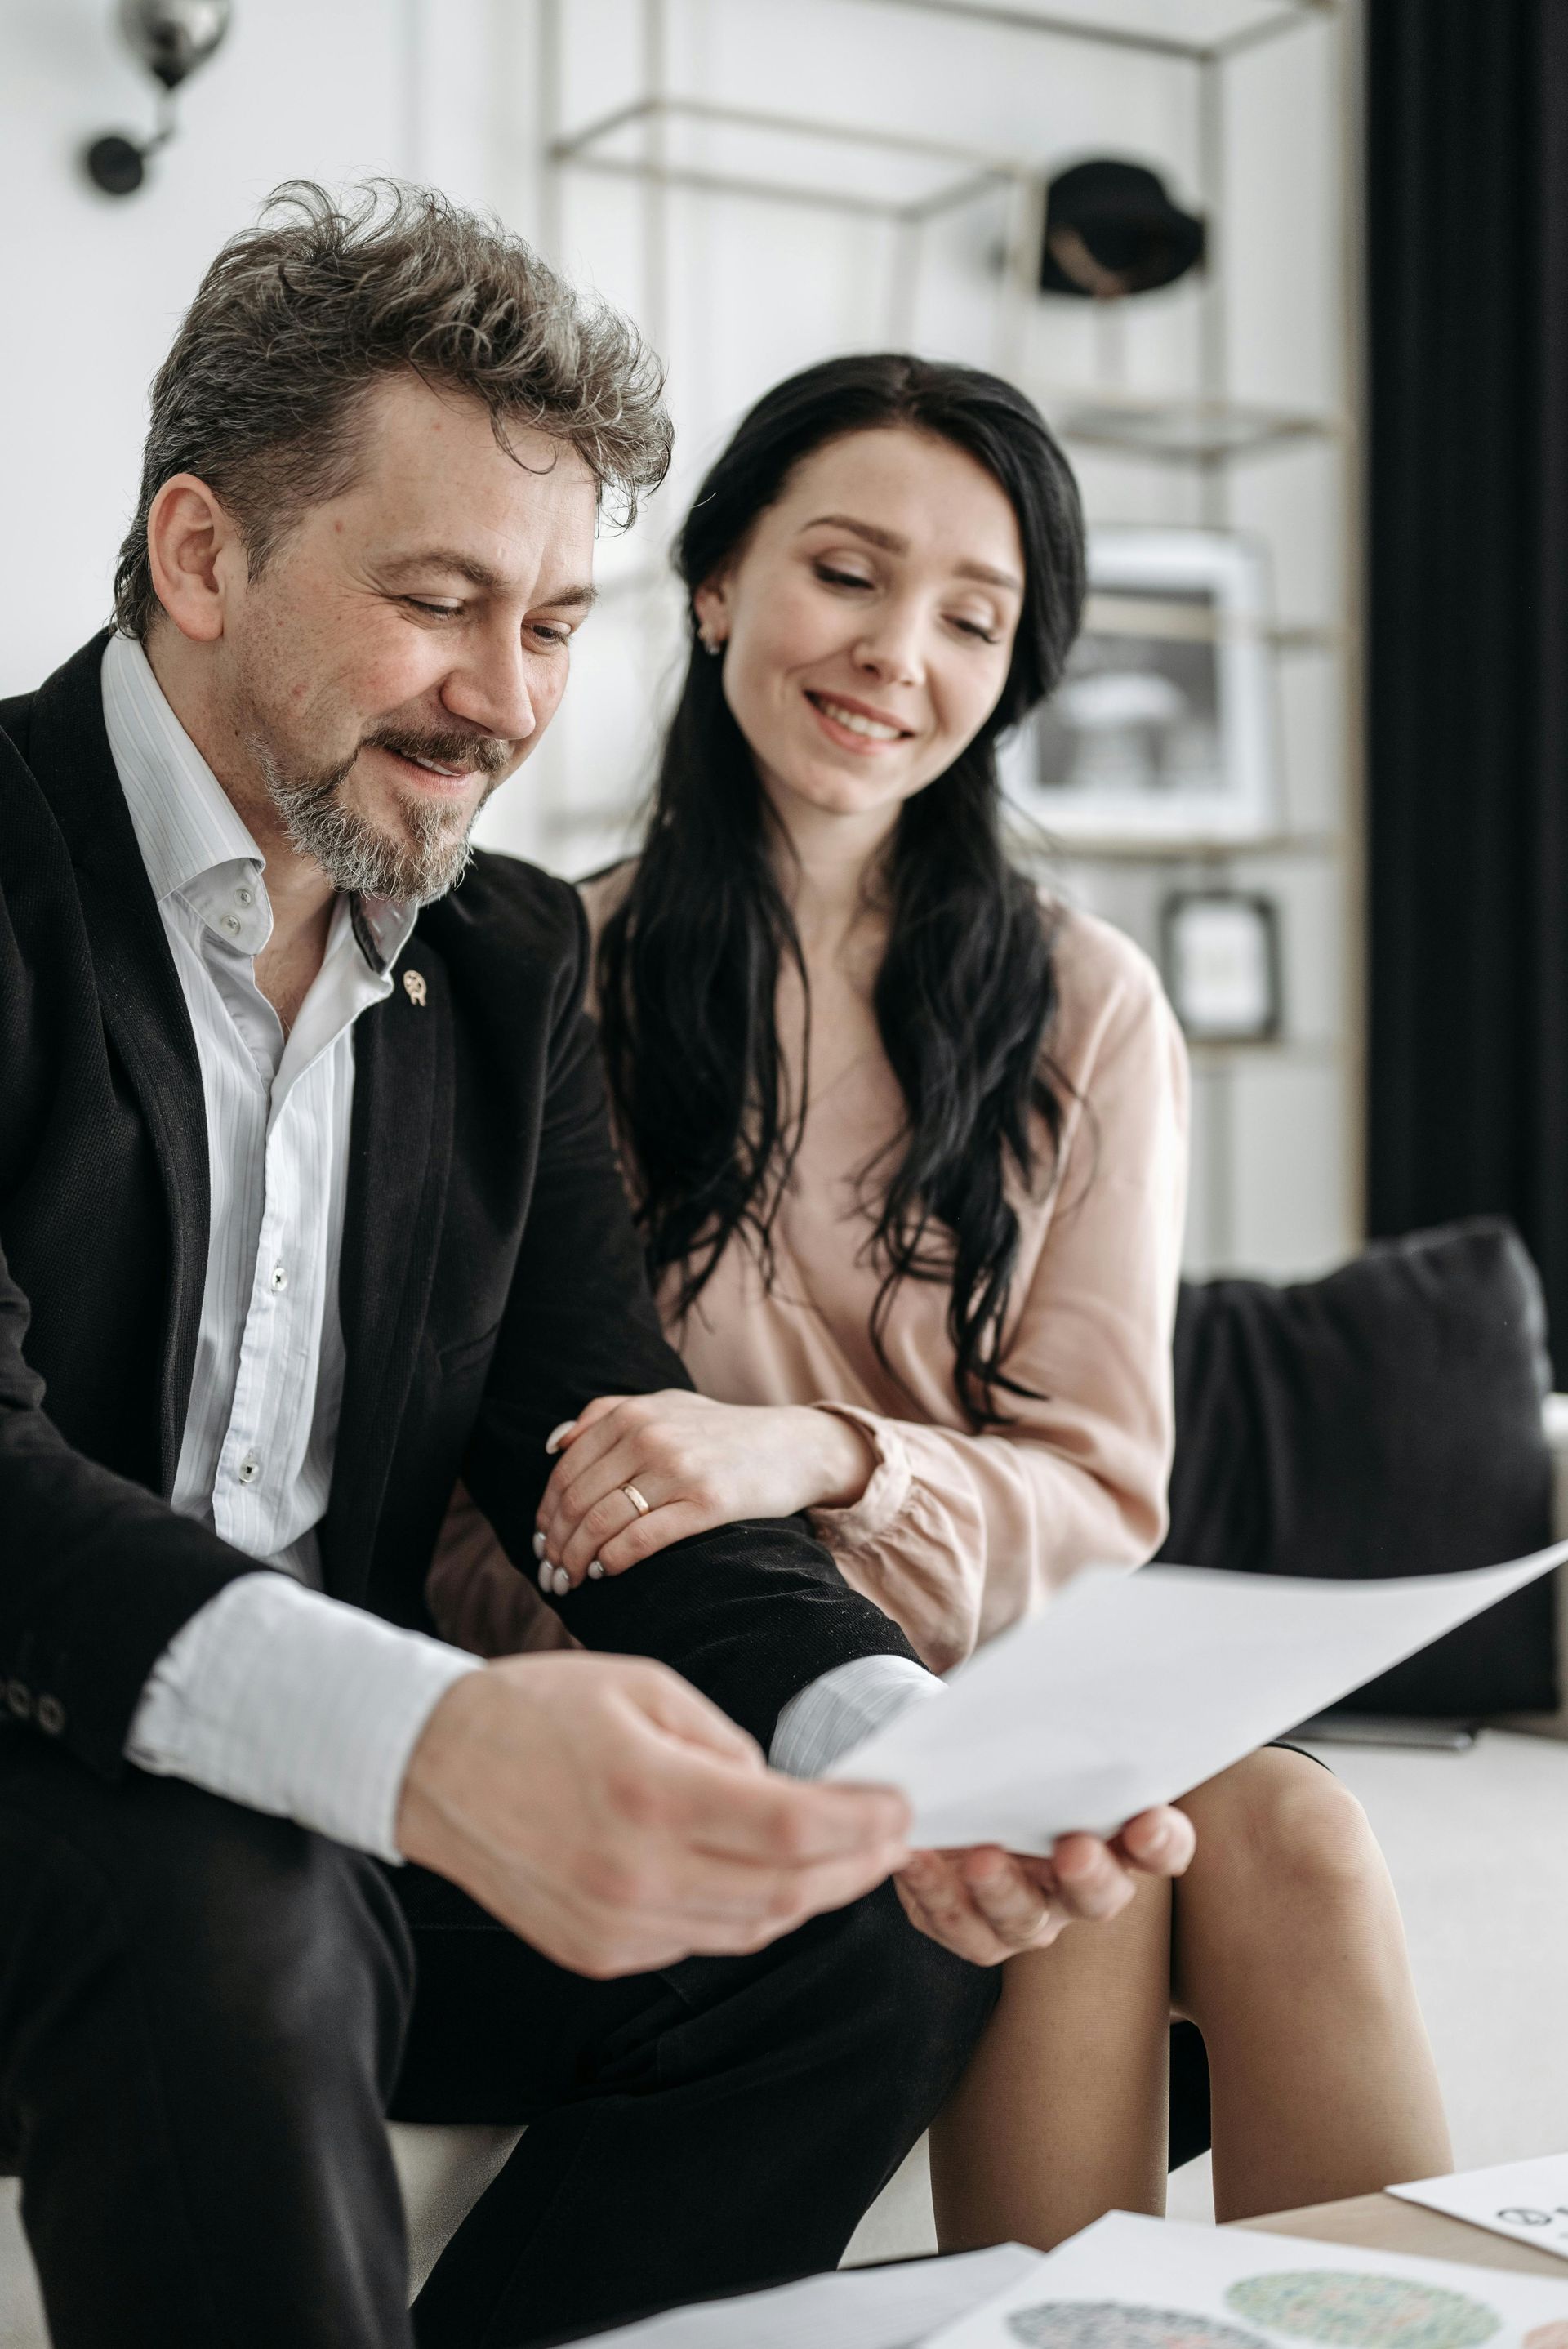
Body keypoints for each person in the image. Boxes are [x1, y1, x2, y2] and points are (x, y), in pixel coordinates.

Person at [0, 188, 1199, 2349]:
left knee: (874, 1928)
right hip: (59, 1791)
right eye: (442, 604)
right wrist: (433, 1733)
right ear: (201, 554)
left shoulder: (498, 953)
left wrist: (902, 1760)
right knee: (229, 1894)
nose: (504, 701)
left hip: (325, 1817)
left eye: (554, 623)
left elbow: (599, 1449)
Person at [434, 352, 1453, 2250]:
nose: (898, 650)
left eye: (971, 617)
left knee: (1293, 1829)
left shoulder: (1087, 1005)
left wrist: (818, 1456)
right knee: (1071, 1862)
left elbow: (1098, 1494)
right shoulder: (535, 980)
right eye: (846, 571)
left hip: (1019, 1672)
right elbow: (479, 1512)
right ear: (720, 575)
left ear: (1012, 674)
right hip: (679, 1700)